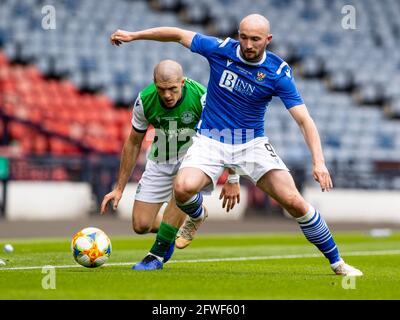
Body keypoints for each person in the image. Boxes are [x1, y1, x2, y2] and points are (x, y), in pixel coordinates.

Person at [110, 14, 363, 276]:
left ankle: (337, 262)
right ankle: (178, 234)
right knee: (183, 187)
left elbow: (303, 119)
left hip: (251, 142)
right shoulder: (221, 50)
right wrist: (134, 35)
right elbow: (177, 33)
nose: (248, 44)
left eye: (255, 39)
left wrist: (318, 161)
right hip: (210, 139)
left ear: (268, 39)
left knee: (294, 202)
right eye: (244, 37)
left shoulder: (278, 73)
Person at [100, 60, 240, 266]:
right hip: (161, 158)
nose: (167, 95)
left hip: (195, 158)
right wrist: (119, 188)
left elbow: (225, 134)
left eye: (173, 89)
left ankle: (155, 256)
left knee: (181, 188)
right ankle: (192, 216)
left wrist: (233, 176)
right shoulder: (144, 100)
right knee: (141, 225)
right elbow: (133, 143)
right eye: (161, 89)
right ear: (154, 84)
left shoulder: (201, 97)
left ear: (182, 83)